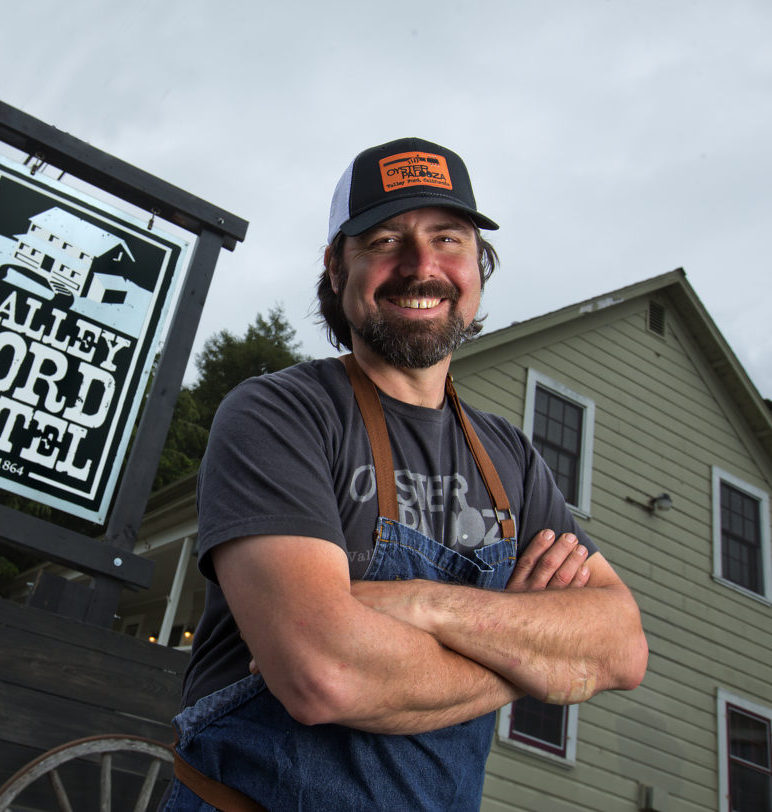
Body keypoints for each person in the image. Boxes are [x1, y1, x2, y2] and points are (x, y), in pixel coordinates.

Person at [162, 137, 648, 811]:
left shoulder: (511, 458)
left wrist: (421, 605)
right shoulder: (280, 415)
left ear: (478, 264)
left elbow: (619, 645)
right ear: (337, 268)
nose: (422, 267)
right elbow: (324, 674)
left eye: (448, 239)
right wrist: (530, 661)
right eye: (385, 240)